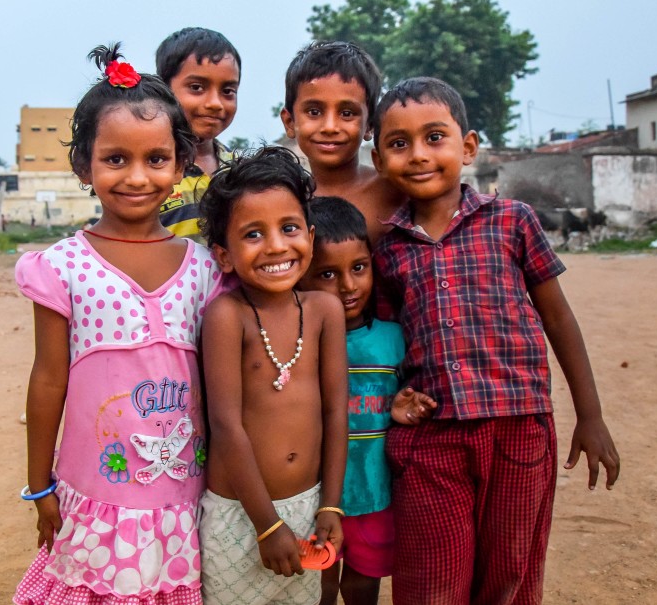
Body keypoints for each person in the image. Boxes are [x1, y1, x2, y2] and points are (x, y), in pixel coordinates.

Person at [370, 77, 621, 605]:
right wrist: (391, 399)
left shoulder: (512, 220)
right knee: (431, 581)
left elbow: (558, 318)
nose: (418, 154)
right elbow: (385, 342)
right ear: (379, 159)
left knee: (508, 575)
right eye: (398, 143)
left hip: (519, 429)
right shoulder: (387, 249)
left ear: (467, 147)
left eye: (434, 137)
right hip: (431, 437)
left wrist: (590, 416)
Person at [13, 42, 225, 605]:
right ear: (83, 165)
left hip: (185, 499)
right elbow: (47, 380)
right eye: (115, 159)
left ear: (181, 164)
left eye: (156, 159)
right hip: (95, 500)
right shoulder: (61, 267)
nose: (137, 177)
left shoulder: (204, 269)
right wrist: (39, 485)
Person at [196, 146, 349, 605]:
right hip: (241, 514)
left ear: (310, 236)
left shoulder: (324, 311)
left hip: (309, 507)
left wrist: (330, 504)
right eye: (253, 234)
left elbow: (336, 412)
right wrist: (267, 525)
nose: (277, 246)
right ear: (224, 256)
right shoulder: (228, 316)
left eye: (289, 228)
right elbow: (226, 425)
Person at [298, 196, 435, 605]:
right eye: (327, 273)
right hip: (315, 496)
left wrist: (400, 409)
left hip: (375, 493)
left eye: (358, 268)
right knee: (319, 585)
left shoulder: (393, 338)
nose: (348, 286)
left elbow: (402, 396)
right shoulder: (298, 342)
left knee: (363, 584)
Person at [280, 40, 404, 245]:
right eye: (314, 112)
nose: (330, 127)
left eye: (347, 113)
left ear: (370, 125)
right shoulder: (286, 201)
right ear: (290, 122)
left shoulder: (396, 190)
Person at [156, 27, 241, 242]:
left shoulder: (242, 170)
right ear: (163, 90)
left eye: (228, 91)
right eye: (197, 87)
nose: (215, 103)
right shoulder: (152, 171)